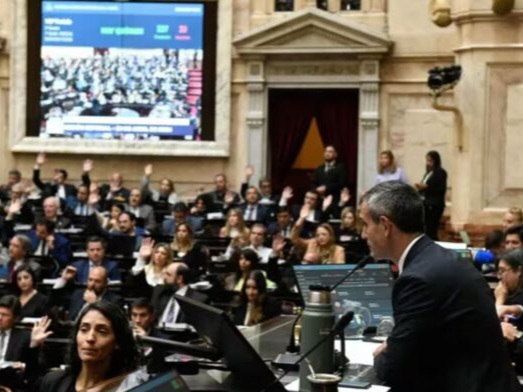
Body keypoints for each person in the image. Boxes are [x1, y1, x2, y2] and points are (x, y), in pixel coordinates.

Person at [358, 181, 519, 392]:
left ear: (386, 226)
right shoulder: (443, 258)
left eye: (365, 224)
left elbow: (394, 368)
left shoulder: (417, 279)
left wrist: (382, 354)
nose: (363, 234)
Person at [39, 302, 141, 392]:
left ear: (117, 342)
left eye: (102, 332)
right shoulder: (53, 382)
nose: (90, 338)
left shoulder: (129, 387)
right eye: (84, 329)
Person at [0, 295, 52, 390]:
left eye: (5, 315)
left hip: (11, 385)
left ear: (15, 318)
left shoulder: (26, 337)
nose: (0, 318)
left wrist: (34, 345)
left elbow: (38, 368)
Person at [414, 150, 447, 240]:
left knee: (432, 229)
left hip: (434, 205)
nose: (428, 163)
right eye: (427, 160)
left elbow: (440, 189)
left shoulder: (440, 173)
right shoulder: (428, 173)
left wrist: (426, 187)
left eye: (430, 161)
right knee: (426, 228)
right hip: (425, 203)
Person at [495, 249, 523, 330]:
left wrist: (499, 299)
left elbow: (490, 325)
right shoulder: (508, 292)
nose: (499, 277)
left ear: (519, 271)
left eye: (503, 270)